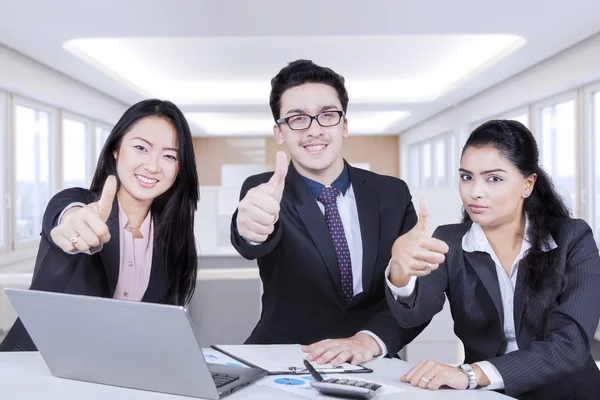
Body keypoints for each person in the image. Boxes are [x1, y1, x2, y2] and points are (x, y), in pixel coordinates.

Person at [386, 119, 600, 399]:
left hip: (567, 393)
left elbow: (570, 346)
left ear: (528, 184)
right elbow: (415, 314)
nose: (475, 192)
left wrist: (470, 374)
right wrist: (401, 269)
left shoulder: (573, 238)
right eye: (466, 177)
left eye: (494, 179)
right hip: (489, 395)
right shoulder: (451, 240)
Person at [230, 59, 425, 366]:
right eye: (297, 119)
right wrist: (250, 231)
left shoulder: (392, 194)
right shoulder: (265, 190)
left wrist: (369, 341)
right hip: (284, 359)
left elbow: (416, 296)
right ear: (279, 132)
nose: (314, 130)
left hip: (371, 360)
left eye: (327, 115)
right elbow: (254, 237)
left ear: (344, 124)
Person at [0, 99, 200, 351]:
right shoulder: (77, 203)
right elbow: (67, 214)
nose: (152, 166)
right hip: (32, 365)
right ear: (116, 149)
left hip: (108, 376)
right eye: (140, 147)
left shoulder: (172, 237)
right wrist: (74, 224)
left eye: (170, 155)